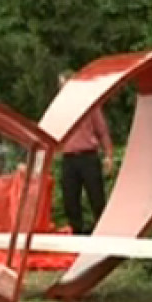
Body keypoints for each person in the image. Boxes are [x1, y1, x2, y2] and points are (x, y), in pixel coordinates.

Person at [58, 70, 114, 235]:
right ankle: (77, 232)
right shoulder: (59, 108)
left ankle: (103, 232)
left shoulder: (89, 104)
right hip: (68, 158)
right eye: (61, 86)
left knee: (96, 196)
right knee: (70, 199)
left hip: (88, 155)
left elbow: (102, 131)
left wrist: (108, 156)